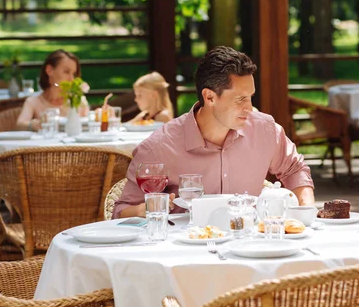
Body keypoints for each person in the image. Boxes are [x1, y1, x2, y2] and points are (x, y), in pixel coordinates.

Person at [113, 46, 315, 219]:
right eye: (240, 99)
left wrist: (306, 211)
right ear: (209, 97)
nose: (249, 107)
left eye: (250, 97)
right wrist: (151, 208)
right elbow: (120, 211)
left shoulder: (264, 130)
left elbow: (295, 169)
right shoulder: (159, 148)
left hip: (250, 247)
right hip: (185, 253)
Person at [16, 49, 89, 131]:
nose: (71, 79)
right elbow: (20, 124)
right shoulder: (34, 102)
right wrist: (33, 124)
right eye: (66, 72)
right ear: (49, 70)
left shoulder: (79, 102)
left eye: (74, 74)